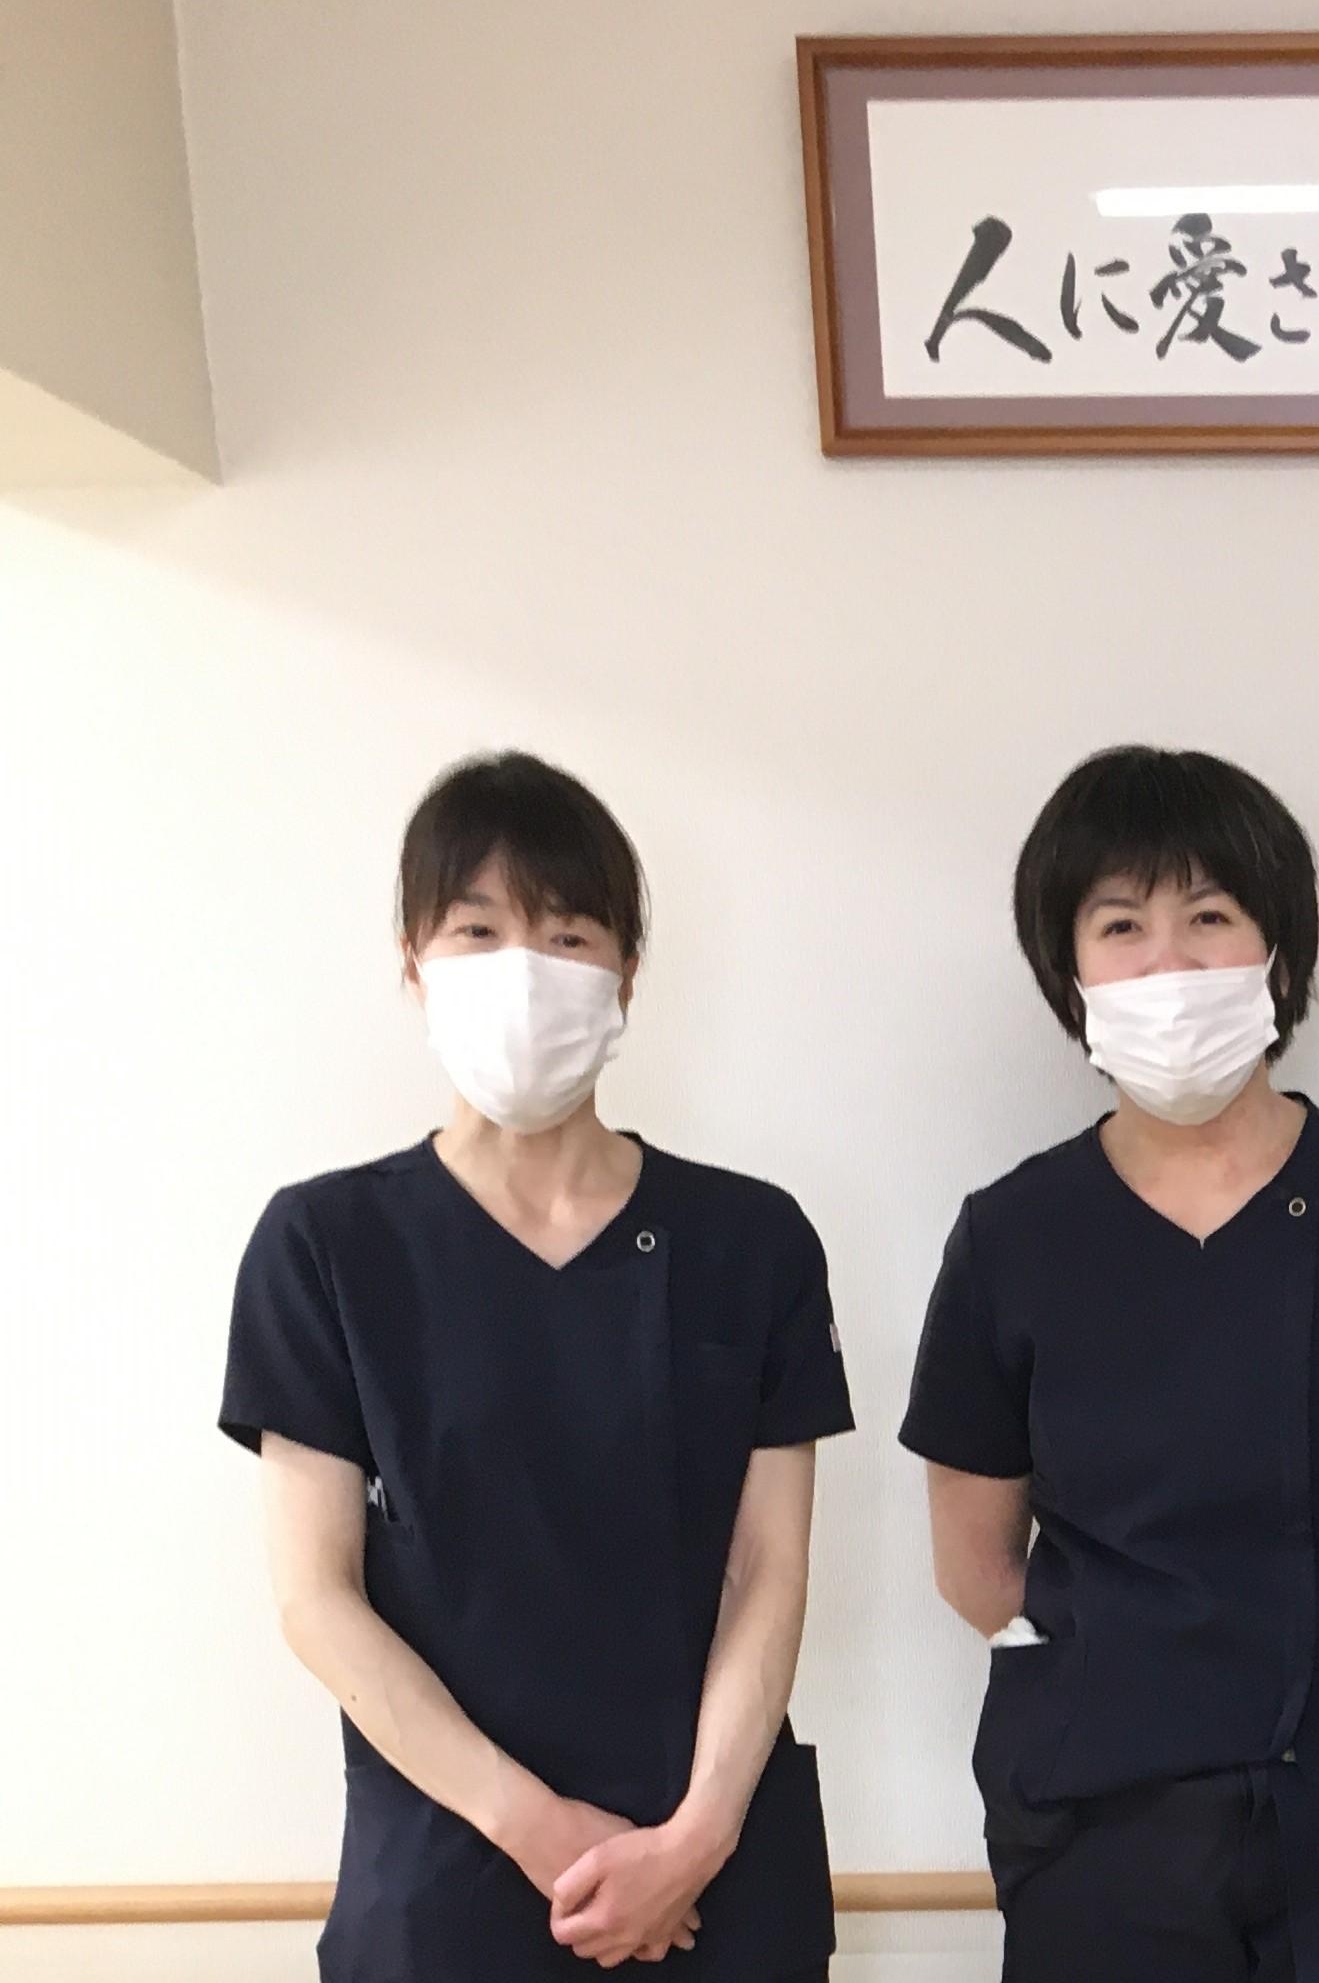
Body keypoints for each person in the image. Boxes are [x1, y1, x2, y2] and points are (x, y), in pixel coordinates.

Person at [900, 745, 1319, 1983]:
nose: (1170, 965)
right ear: (1068, 971)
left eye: (1209, 917)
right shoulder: (1015, 1236)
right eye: (1121, 925)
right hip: (1109, 1843)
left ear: (1277, 951)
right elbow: (976, 1564)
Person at [220, 751, 854, 1982]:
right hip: (450, 1873)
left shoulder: (752, 1240)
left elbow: (768, 1571)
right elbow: (317, 1598)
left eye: (568, 935)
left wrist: (696, 1839)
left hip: (715, 1872)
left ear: (626, 975)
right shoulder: (327, 1245)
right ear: (413, 961)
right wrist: (540, 1829)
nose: (524, 970)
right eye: (478, 930)